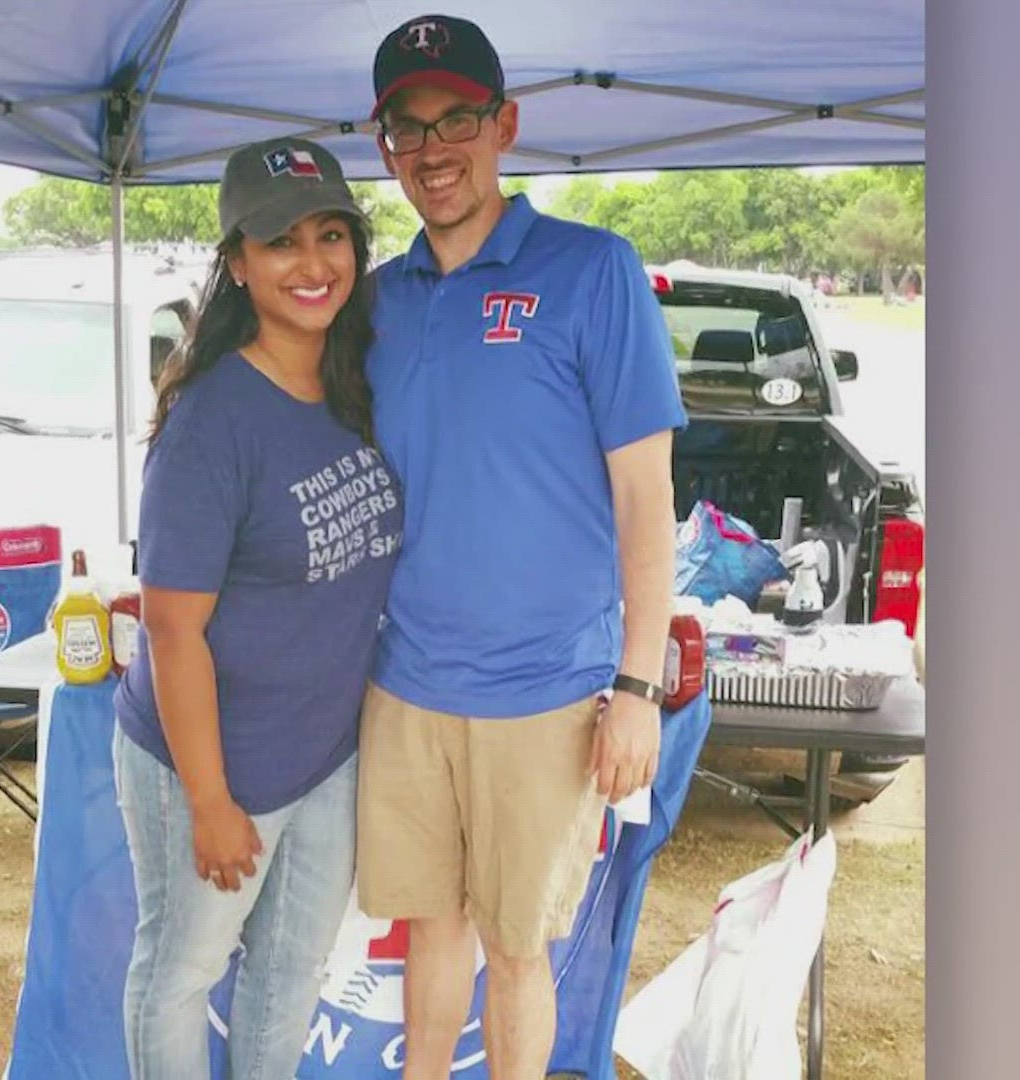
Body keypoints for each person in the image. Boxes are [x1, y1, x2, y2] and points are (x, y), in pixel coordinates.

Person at [354, 14, 689, 1080]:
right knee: (431, 930)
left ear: (505, 124)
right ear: (384, 148)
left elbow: (646, 500)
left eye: (456, 118)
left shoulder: (593, 271)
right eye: (407, 129)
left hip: (545, 690)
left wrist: (637, 683)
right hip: (405, 684)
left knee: (515, 948)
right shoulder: (376, 303)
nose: (432, 148)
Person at [110, 136, 405, 1080]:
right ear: (237, 263)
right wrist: (209, 801)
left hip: (323, 758)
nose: (312, 264)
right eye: (281, 242)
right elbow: (171, 628)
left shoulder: (354, 382)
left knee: (292, 973)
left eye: (331, 235)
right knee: (180, 974)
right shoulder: (211, 420)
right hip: (210, 764)